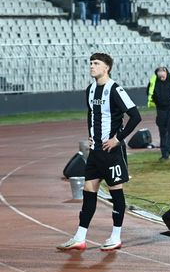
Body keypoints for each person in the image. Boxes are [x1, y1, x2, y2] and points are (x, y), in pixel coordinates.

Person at [58, 53, 142, 252]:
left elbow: (135, 116)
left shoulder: (115, 89)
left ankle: (116, 236)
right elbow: (91, 114)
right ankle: (80, 237)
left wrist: (117, 139)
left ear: (107, 68)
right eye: (90, 63)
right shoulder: (90, 89)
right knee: (89, 192)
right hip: (95, 152)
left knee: (116, 192)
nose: (91, 66)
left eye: (96, 63)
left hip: (112, 153)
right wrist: (90, 136)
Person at [146, 66, 170, 160]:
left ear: (166, 73)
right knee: (162, 131)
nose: (162, 78)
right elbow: (148, 91)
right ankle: (165, 154)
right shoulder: (153, 80)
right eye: (160, 77)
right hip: (160, 109)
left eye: (163, 76)